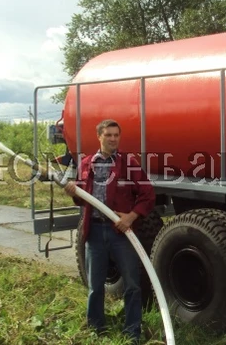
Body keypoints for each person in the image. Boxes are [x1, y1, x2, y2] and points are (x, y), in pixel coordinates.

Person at [64, 119, 155, 344]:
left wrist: (130, 217)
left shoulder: (129, 163)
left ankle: (132, 330)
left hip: (120, 233)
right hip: (94, 231)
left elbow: (148, 194)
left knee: (132, 284)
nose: (113, 139)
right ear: (99, 137)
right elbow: (82, 199)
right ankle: (96, 328)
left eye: (116, 135)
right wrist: (73, 192)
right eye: (109, 135)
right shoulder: (86, 163)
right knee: (95, 285)